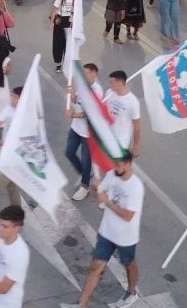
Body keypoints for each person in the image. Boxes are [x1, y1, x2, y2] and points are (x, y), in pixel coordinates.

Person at [69, 153, 144, 308]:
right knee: (96, 266)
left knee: (129, 264)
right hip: (107, 231)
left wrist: (107, 202)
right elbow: (99, 197)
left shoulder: (135, 187)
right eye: (115, 164)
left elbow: (128, 216)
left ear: (128, 164)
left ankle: (131, 292)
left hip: (125, 236)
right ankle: (81, 304)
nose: (116, 168)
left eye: (120, 165)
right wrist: (97, 188)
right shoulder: (112, 175)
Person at [66, 63, 100, 201]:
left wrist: (73, 115)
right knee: (69, 153)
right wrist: (71, 94)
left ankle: (84, 187)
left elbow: (89, 112)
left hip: (88, 133)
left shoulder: (97, 91)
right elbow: (78, 102)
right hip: (76, 128)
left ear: (93, 74)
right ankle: (84, 174)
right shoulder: (83, 85)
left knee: (86, 161)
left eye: (86, 72)